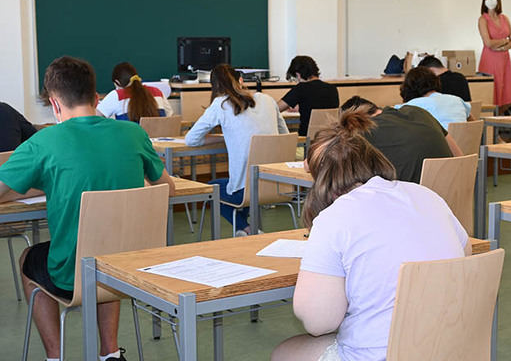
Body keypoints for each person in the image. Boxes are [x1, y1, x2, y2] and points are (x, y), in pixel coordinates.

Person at [0, 56, 175, 361]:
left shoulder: (43, 143)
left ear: (54, 104)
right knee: (106, 247)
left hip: (73, 276)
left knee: (29, 258)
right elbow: (167, 188)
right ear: (96, 98)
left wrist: (39, 184)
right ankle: (110, 355)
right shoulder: (133, 135)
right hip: (129, 270)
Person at [270, 111, 470, 361]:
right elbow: (465, 254)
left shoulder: (334, 218)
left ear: (320, 179)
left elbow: (319, 322)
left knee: (282, 355)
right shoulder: (427, 195)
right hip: (450, 351)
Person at [186, 64, 289, 235]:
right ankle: (244, 230)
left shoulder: (221, 104)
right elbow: (284, 136)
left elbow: (191, 139)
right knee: (239, 182)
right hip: (279, 185)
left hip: (246, 190)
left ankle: (247, 229)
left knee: (212, 188)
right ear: (241, 80)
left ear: (214, 87)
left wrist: (219, 138)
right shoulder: (268, 100)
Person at [340, 96, 462, 183]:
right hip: (453, 194)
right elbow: (459, 155)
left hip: (413, 207)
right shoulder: (418, 111)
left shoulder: (365, 131)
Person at [477, 0, 511, 115]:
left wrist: (503, 45)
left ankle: (499, 126)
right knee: (492, 97)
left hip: (505, 60)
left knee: (508, 96)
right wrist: (505, 40)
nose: (490, 0)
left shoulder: (504, 18)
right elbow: (488, 43)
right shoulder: (483, 19)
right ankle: (493, 130)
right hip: (490, 60)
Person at [277, 56, 339, 136]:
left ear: (298, 74)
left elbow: (276, 108)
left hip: (307, 140)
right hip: (330, 139)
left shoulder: (301, 88)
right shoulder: (332, 89)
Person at [396, 67, 472, 130]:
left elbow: (390, 116)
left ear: (409, 88)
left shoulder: (412, 105)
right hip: (464, 146)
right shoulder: (457, 100)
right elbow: (473, 123)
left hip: (434, 147)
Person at [97, 62, 173, 122]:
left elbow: (94, 118)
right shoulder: (157, 92)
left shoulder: (117, 96)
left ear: (117, 82)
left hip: (130, 140)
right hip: (159, 140)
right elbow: (170, 117)